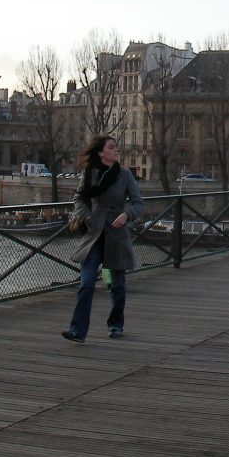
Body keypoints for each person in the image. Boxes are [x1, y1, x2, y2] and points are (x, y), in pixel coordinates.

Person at [62, 135, 145, 343]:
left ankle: (115, 324)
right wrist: (87, 217)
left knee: (118, 285)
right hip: (95, 232)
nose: (116, 150)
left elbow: (138, 203)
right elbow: (79, 198)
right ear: (101, 153)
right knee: (87, 283)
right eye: (112, 147)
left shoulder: (125, 175)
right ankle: (77, 330)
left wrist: (127, 214)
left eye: (116, 147)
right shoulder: (90, 174)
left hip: (116, 233)